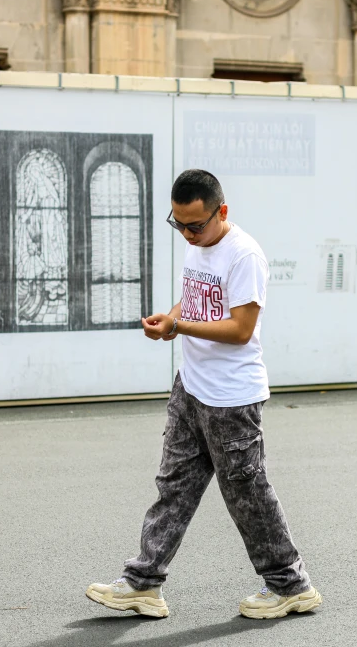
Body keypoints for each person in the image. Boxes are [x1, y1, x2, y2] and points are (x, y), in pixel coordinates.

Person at [86, 169, 321, 620]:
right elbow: (191, 301)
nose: (189, 235)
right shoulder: (197, 248)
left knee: (248, 495)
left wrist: (180, 327)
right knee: (173, 486)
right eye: (179, 224)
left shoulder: (244, 255)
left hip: (232, 399)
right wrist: (170, 320)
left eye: (196, 225)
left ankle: (291, 585)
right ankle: (143, 583)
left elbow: (240, 329)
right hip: (191, 388)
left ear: (222, 211)